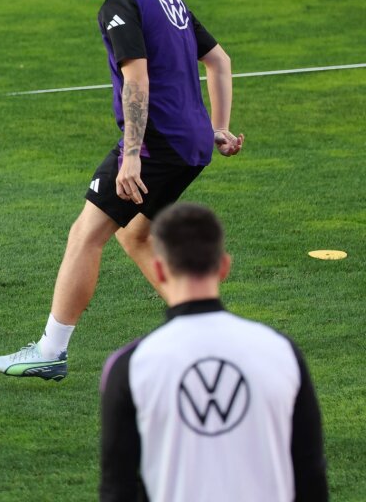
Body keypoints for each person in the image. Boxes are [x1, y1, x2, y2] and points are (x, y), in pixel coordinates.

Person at [0, 0, 244, 380]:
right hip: (188, 145)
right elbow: (219, 61)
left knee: (85, 234)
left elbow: (137, 79)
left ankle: (51, 349)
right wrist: (217, 128)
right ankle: (207, 333)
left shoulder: (120, 3)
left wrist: (130, 156)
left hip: (155, 145)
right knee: (133, 234)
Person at [99, 202, 328, 501]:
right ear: (223, 266)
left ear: (159, 268)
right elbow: (310, 475)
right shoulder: (281, 353)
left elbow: (118, 488)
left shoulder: (131, 366)